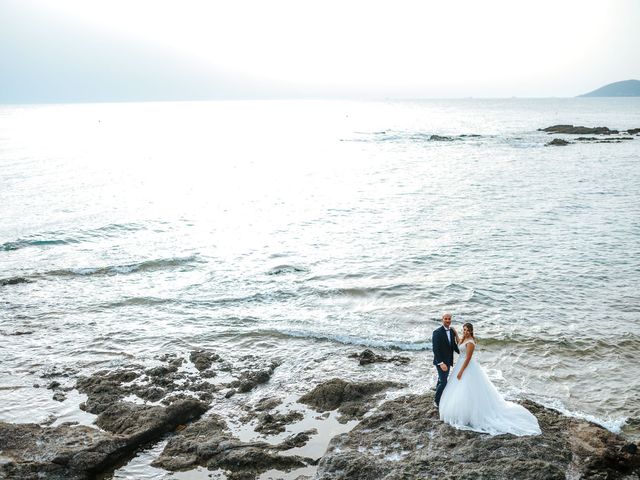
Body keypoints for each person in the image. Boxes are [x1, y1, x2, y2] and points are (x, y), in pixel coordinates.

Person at [439, 322, 541, 436]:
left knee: (467, 389)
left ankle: (471, 413)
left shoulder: (471, 343)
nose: (465, 332)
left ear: (471, 331)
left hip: (466, 367)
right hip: (460, 364)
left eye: (467, 330)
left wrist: (461, 371)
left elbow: (467, 359)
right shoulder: (463, 339)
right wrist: (455, 332)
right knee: (458, 389)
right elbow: (459, 343)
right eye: (464, 330)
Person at [432, 312, 460, 408]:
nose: (448, 320)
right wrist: (441, 363)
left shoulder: (451, 332)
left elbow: (453, 346)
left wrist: (462, 353)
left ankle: (437, 392)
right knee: (444, 382)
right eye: (446, 318)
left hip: (448, 361)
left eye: (449, 319)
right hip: (441, 362)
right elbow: (435, 349)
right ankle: (437, 401)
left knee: (441, 379)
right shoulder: (437, 332)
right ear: (442, 320)